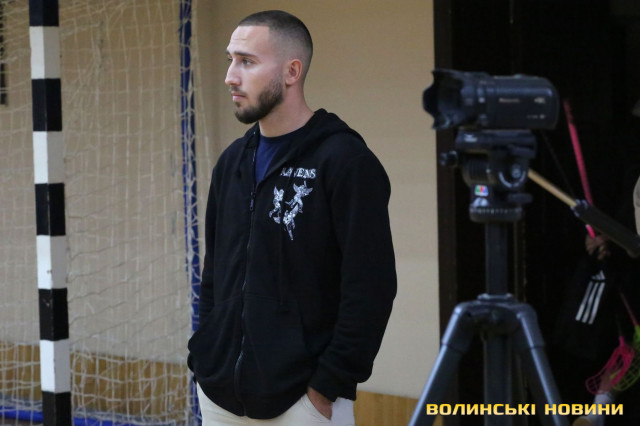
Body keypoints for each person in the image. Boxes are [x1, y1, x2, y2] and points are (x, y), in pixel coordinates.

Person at [187, 10, 397, 425]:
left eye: (247, 62)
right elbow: (215, 273)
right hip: (219, 396)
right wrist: (206, 355)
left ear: (291, 71)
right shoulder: (232, 162)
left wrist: (328, 384)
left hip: (304, 402)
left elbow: (370, 287)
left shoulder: (345, 160)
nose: (230, 76)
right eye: (230, 60)